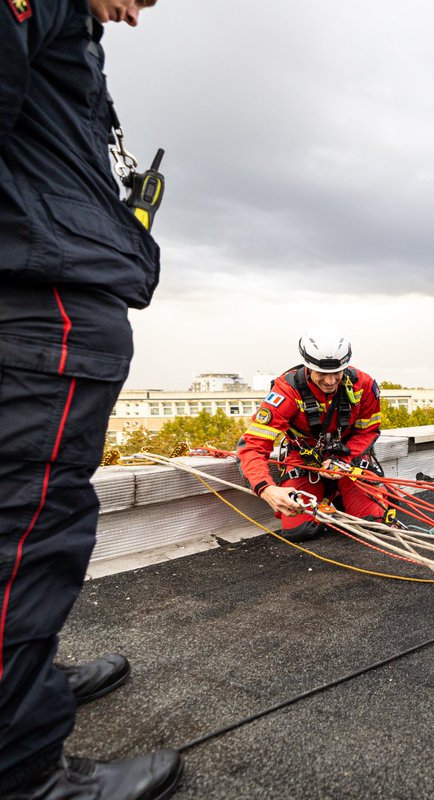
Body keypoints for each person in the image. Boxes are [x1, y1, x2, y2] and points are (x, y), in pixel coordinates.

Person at [0, 0, 183, 798]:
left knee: (26, 527)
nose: (140, 12)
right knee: (26, 539)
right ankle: (23, 768)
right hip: (43, 306)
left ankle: (23, 685)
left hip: (51, 298)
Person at [237, 330, 387, 541]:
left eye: (338, 372)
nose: (330, 380)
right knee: (299, 530)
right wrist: (266, 488)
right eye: (321, 373)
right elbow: (252, 446)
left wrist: (341, 460)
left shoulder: (363, 385)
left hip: (347, 460)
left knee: (372, 523)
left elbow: (368, 430)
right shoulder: (286, 391)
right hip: (305, 460)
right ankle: (332, 493)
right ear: (307, 365)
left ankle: (353, 492)